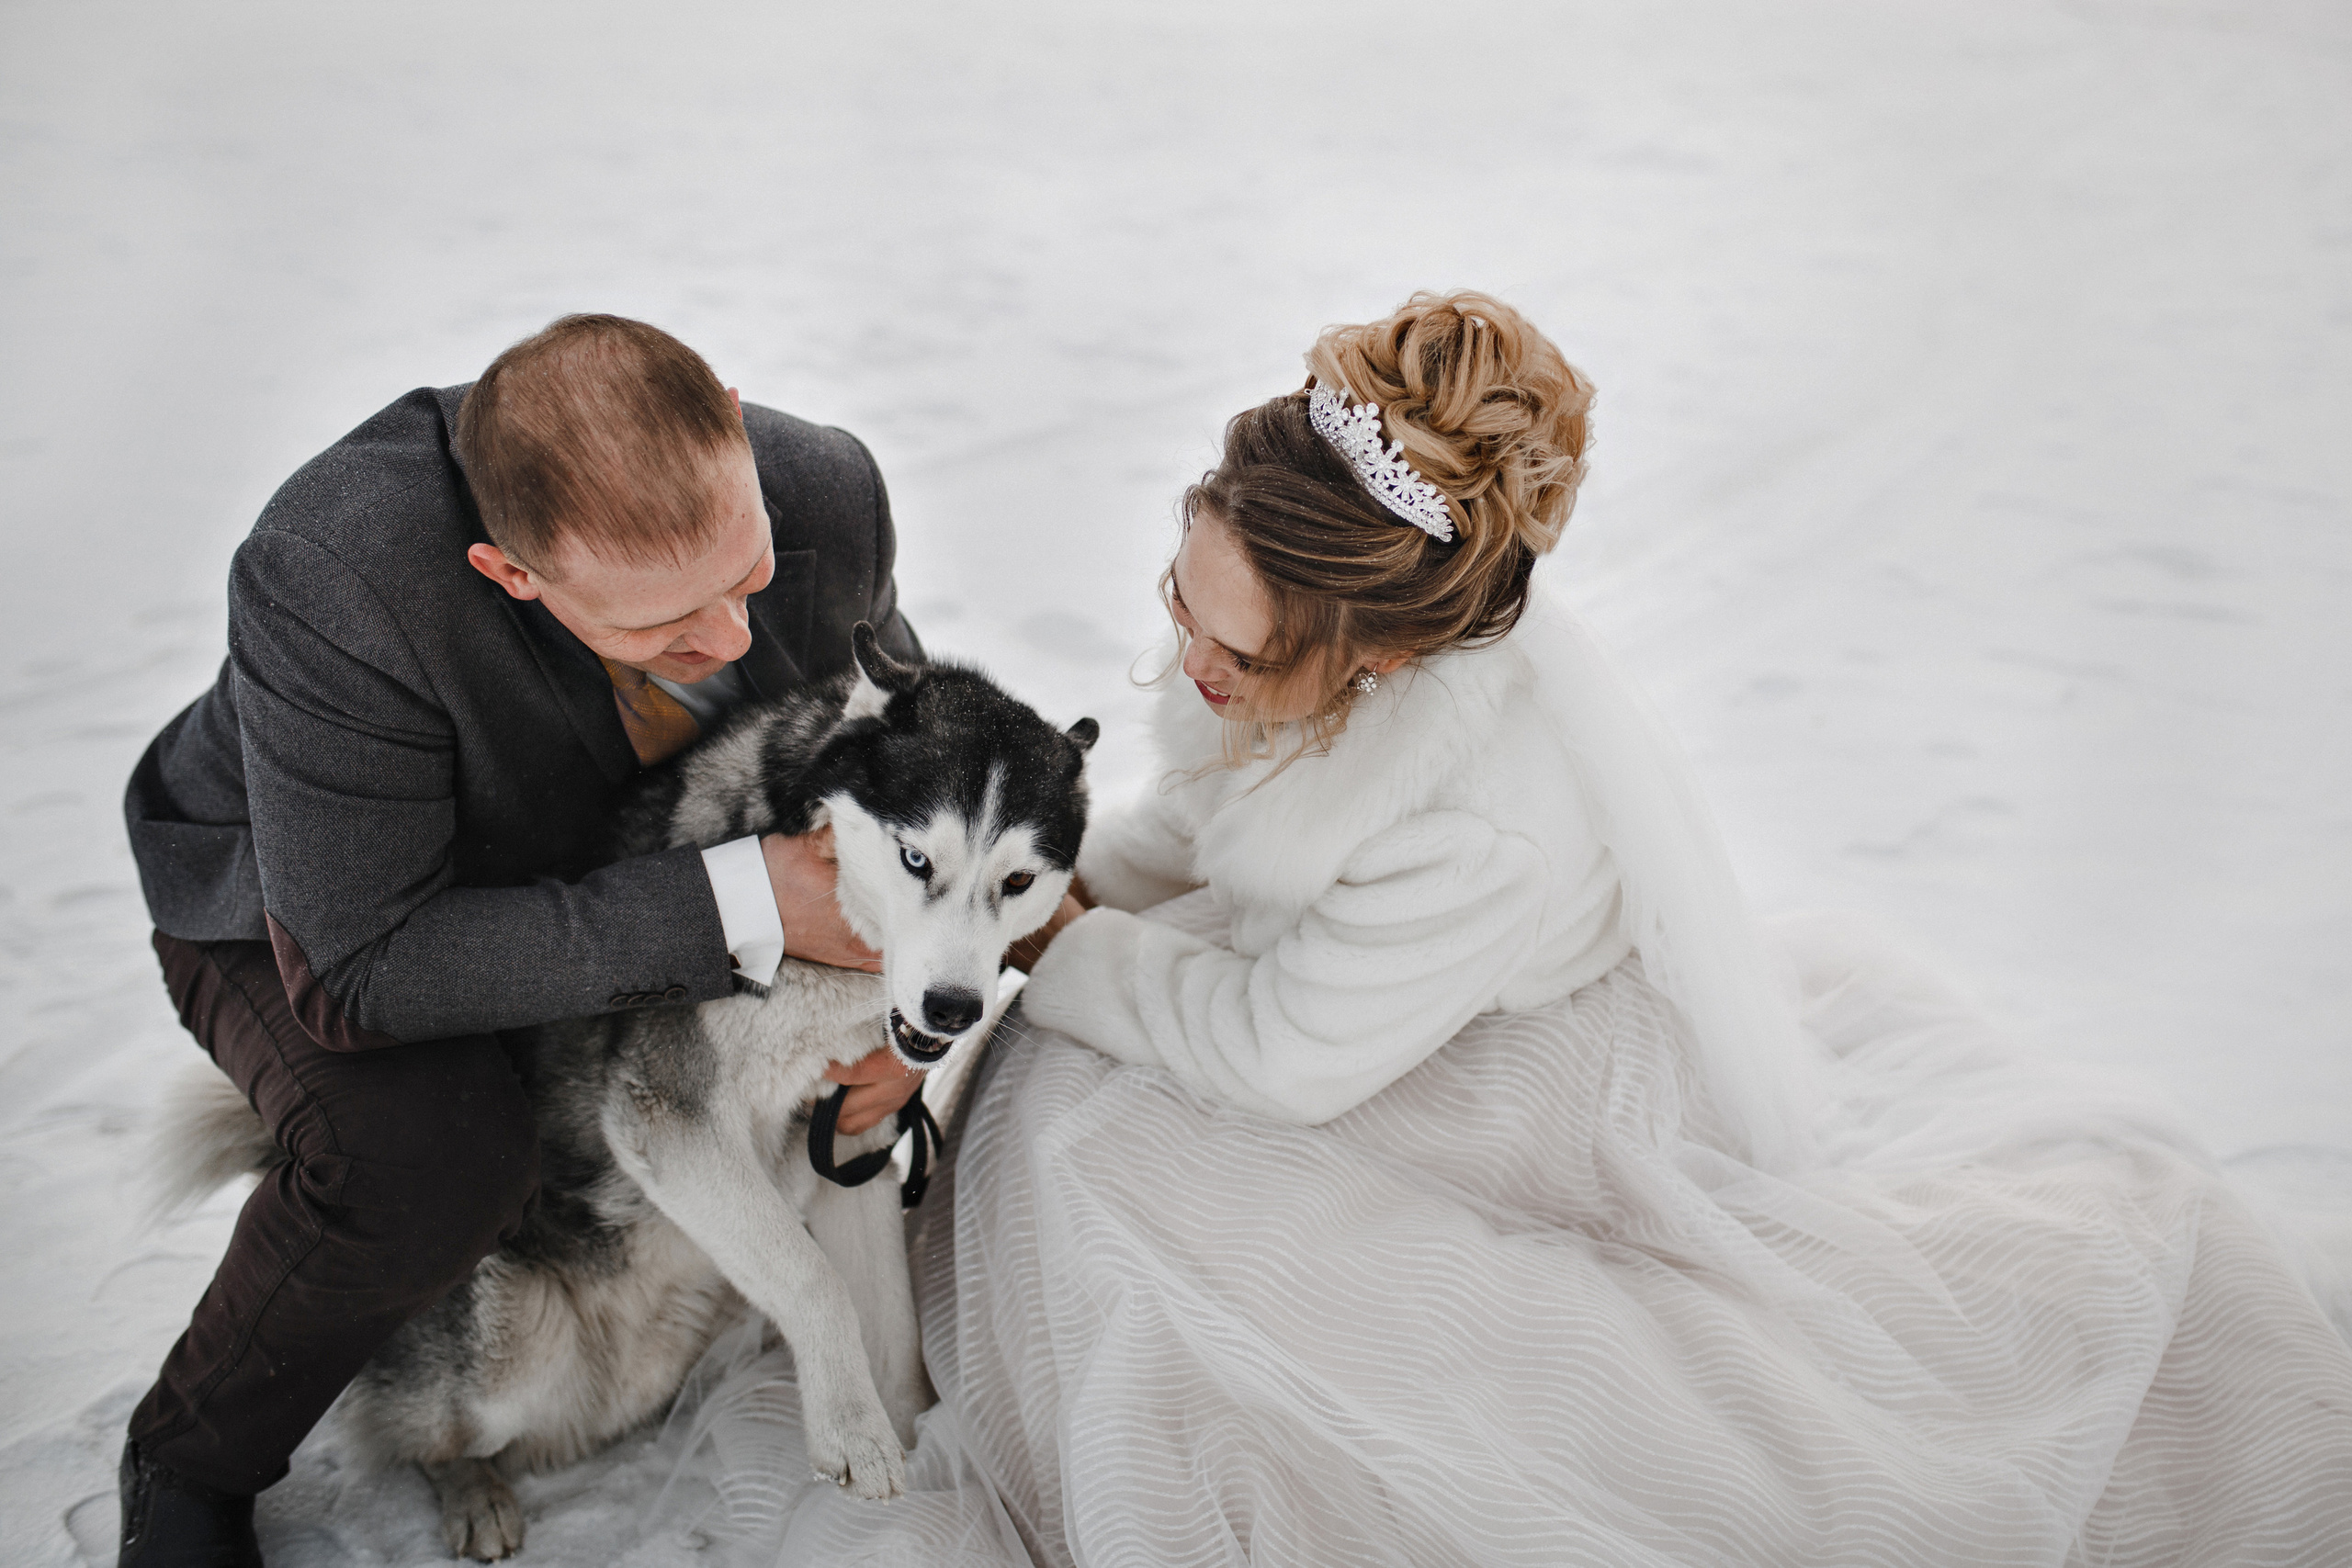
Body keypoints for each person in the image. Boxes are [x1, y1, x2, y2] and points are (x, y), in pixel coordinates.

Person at [670, 291, 2352, 1565]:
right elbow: (1209, 820)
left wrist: (1040, 954)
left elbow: (1276, 1052)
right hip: (1346, 1004)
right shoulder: (1284, 651)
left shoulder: (1482, 821)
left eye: (1235, 650)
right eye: (1183, 591)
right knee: (1071, 1120)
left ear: (1380, 663)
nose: (1188, 659)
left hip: (1487, 1068)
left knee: (1139, 1202)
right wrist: (1036, 897)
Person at [115, 313, 928, 1567]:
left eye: (747, 580)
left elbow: (901, 763)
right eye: (664, 628)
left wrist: (928, 1010)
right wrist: (745, 900)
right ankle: (190, 1452)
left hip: (618, 861)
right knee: (436, 1159)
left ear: (727, 411)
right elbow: (360, 968)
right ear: (511, 574)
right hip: (310, 907)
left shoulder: (826, 483)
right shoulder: (336, 575)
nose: (725, 642)